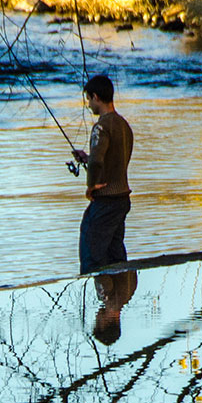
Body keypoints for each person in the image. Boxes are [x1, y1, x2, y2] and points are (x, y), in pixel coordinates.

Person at [72, 74, 133, 275]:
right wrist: (86, 159)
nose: (88, 105)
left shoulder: (101, 127)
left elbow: (98, 161)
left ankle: (99, 299)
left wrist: (90, 186)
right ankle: (116, 302)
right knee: (115, 255)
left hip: (105, 201)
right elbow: (112, 160)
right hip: (122, 198)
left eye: (89, 99)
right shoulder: (124, 125)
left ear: (96, 97)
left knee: (92, 255)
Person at [91, 270, 137, 346]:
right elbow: (98, 271)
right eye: (97, 323)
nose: (96, 317)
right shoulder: (107, 296)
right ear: (104, 324)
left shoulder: (129, 294)